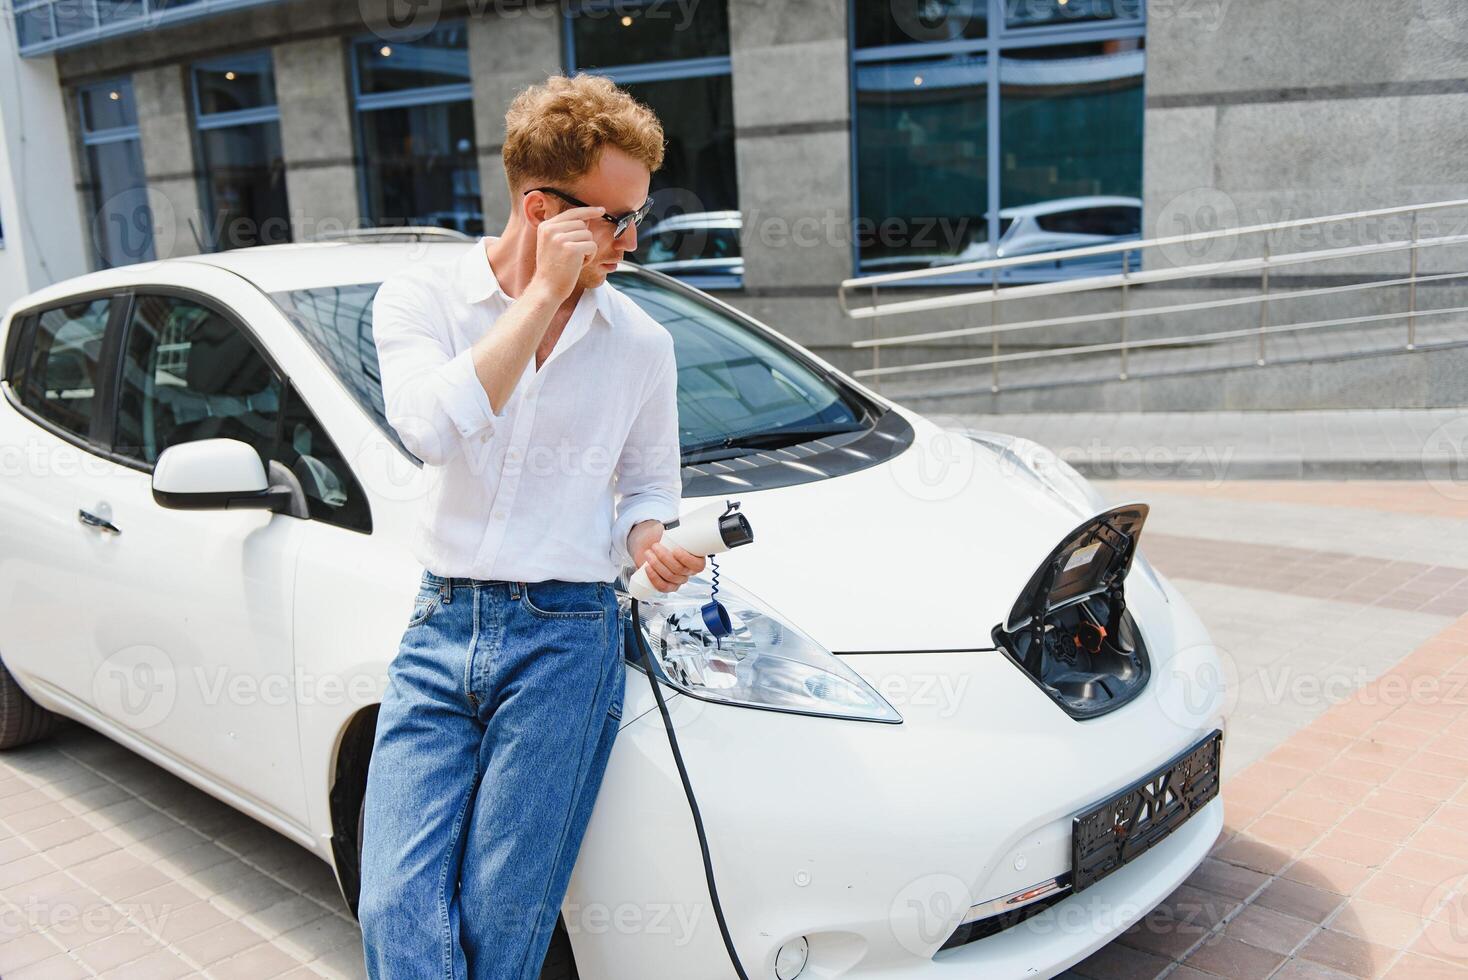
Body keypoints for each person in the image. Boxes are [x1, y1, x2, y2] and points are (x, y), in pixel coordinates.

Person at [357, 73, 705, 980]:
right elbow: (430, 429)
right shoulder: (419, 300)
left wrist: (648, 542)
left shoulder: (640, 344)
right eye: (615, 221)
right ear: (541, 208)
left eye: (639, 218)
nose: (631, 244)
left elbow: (646, 483)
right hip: (441, 626)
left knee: (502, 919)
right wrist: (539, 298)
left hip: (566, 639)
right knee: (394, 901)